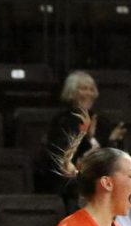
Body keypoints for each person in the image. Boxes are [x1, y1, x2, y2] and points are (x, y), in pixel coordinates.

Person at [40, 71, 126, 199]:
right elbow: (62, 157)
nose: (88, 93)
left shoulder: (102, 122)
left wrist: (111, 142)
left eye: (91, 89)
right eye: (83, 89)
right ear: (72, 92)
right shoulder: (62, 121)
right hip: (71, 184)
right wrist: (87, 138)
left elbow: (111, 157)